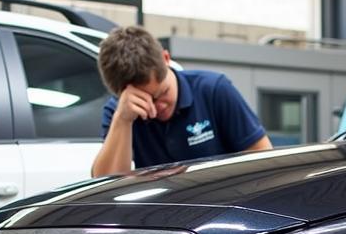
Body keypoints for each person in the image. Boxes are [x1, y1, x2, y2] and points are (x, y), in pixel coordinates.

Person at [90, 25, 272, 177]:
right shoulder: (119, 113)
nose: (155, 108)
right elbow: (104, 184)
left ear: (166, 59)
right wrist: (123, 120)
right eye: (143, 102)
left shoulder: (213, 90)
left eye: (161, 94)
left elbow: (264, 160)